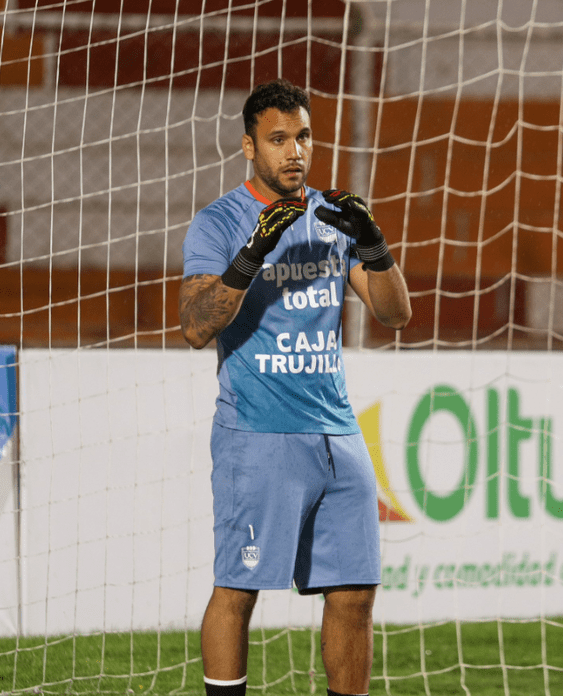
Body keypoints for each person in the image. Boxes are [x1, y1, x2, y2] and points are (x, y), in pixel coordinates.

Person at [179, 78, 411, 696]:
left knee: (356, 592)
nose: (294, 151)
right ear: (249, 147)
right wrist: (252, 254)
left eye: (302, 136)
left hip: (337, 433)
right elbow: (196, 327)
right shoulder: (219, 222)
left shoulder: (332, 217)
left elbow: (394, 313)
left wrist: (375, 245)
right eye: (278, 139)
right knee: (238, 590)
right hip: (257, 434)